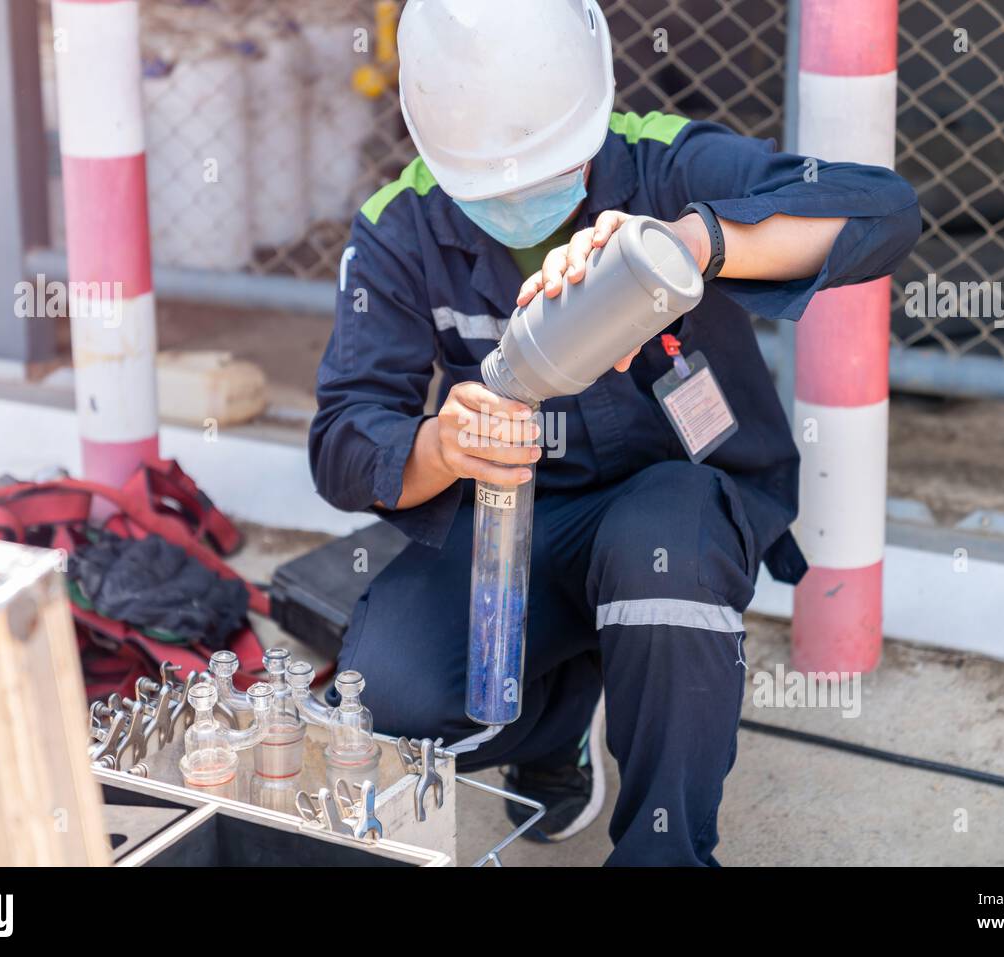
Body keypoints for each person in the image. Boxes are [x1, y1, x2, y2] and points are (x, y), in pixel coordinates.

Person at [309, 0, 920, 866]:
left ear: (592, 113)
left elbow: (883, 211)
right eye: (494, 186)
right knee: (385, 704)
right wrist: (440, 446)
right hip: (512, 517)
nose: (524, 200)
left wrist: (693, 241)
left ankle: (662, 852)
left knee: (658, 555)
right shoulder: (399, 230)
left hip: (671, 510)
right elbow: (341, 440)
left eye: (549, 169)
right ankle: (552, 727)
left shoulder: (664, 164)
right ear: (433, 146)